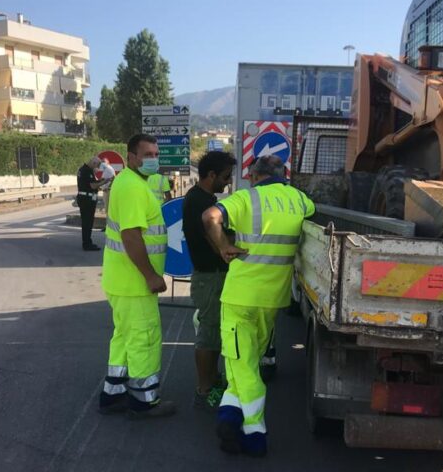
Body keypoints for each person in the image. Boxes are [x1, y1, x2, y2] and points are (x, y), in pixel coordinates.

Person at [202, 155, 315, 457]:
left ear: (253, 176)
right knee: (245, 363)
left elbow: (210, 216)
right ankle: (228, 416)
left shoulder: (245, 198)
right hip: (272, 300)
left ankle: (254, 433)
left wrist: (224, 245)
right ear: (284, 174)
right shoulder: (300, 200)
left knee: (244, 367)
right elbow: (313, 217)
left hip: (239, 297)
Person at [99, 133, 176, 419]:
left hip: (121, 281)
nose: (153, 159)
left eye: (156, 154)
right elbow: (131, 236)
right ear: (131, 157)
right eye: (147, 155)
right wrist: (151, 275)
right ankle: (144, 400)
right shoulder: (132, 186)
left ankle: (114, 392)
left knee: (124, 336)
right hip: (135, 283)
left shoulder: (132, 183)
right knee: (144, 337)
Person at [182, 151, 236, 411]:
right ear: (211, 174)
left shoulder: (203, 198)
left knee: (214, 332)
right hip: (209, 276)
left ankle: (212, 381)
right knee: (209, 332)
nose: (228, 181)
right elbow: (214, 242)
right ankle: (204, 390)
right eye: (225, 176)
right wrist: (231, 247)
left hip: (212, 275)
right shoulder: (199, 202)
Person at [77, 156, 109, 251]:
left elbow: (91, 183)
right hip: (87, 200)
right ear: (93, 163)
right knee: (87, 222)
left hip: (86, 198)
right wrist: (104, 182)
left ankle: (88, 242)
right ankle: (87, 244)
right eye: (97, 165)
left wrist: (100, 182)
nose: (98, 167)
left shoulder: (84, 169)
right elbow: (92, 185)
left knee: (88, 222)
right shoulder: (86, 171)